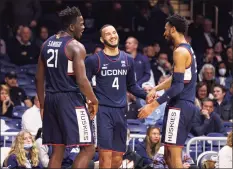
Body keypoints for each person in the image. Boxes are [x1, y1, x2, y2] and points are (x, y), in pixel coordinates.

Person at [35, 6, 98, 169]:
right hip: (70, 99)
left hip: (51, 99)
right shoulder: (76, 46)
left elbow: (38, 78)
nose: (84, 27)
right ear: (72, 26)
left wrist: (43, 105)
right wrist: (94, 100)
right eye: (81, 23)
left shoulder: (46, 44)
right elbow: (82, 80)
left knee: (58, 149)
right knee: (88, 147)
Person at [85, 24, 152, 168]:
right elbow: (84, 84)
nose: (112, 35)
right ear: (102, 39)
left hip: (121, 111)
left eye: (114, 32)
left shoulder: (128, 59)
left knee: (117, 159)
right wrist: (91, 99)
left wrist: (146, 95)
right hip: (103, 112)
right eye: (108, 34)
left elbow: (132, 86)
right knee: (105, 157)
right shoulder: (94, 60)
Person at [139, 14, 197, 168]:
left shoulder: (180, 52)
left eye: (165, 29)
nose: (164, 33)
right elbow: (175, 78)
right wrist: (156, 88)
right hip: (183, 105)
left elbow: (178, 87)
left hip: (180, 106)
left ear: (172, 29)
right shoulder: (186, 49)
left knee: (174, 155)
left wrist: (153, 105)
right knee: (168, 155)